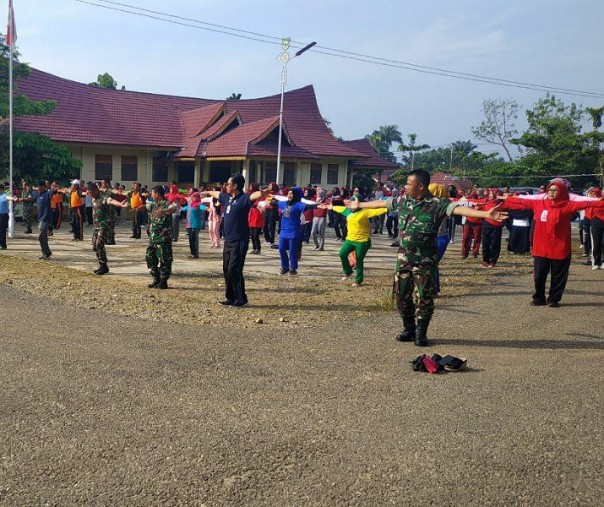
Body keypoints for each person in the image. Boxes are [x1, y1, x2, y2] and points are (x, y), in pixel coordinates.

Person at [349, 169, 508, 346]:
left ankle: (420, 333)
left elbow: (459, 209)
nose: (406, 186)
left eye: (409, 184)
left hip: (425, 262)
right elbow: (382, 203)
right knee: (401, 296)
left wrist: (485, 214)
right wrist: (360, 205)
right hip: (404, 260)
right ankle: (408, 328)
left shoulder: (436, 204)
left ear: (421, 186)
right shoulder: (402, 200)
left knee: (424, 297)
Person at [502, 179, 604, 307]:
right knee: (539, 275)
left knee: (558, 275)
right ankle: (539, 298)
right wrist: (504, 198)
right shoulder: (539, 203)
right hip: (541, 246)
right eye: (550, 190)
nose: (551, 192)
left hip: (560, 247)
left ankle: (553, 299)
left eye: (555, 190)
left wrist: (600, 198)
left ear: (562, 192)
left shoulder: (568, 205)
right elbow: (520, 201)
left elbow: (590, 204)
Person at [203, 174, 263, 307]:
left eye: (228, 184)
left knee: (234, 269)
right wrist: (207, 191)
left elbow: (255, 196)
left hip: (239, 240)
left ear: (235, 186)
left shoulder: (244, 199)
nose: (226, 186)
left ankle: (241, 298)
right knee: (226, 269)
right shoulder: (227, 198)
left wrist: (264, 192)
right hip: (228, 241)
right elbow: (217, 194)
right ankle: (230, 297)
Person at [322, 192, 386, 287]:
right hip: (350, 240)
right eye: (350, 203)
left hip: (362, 241)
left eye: (353, 203)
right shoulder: (347, 211)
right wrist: (329, 207)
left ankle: (358, 280)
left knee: (358, 261)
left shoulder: (365, 212)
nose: (351, 205)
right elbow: (339, 209)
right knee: (342, 254)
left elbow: (381, 210)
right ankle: (348, 271)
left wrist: (391, 205)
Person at [86, 182, 128, 275]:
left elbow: (111, 200)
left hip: (104, 225)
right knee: (94, 245)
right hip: (96, 226)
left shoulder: (103, 197)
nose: (90, 195)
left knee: (99, 243)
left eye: (91, 193)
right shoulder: (94, 198)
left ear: (96, 190)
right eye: (89, 193)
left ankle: (103, 266)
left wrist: (121, 204)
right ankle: (102, 264)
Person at [144, 185, 177, 289]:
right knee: (149, 257)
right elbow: (145, 207)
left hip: (163, 239)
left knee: (164, 259)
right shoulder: (154, 205)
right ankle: (156, 278)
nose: (151, 195)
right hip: (153, 238)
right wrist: (135, 209)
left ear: (157, 194)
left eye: (152, 193)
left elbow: (174, 208)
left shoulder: (166, 203)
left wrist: (165, 211)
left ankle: (163, 280)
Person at [33, 180, 55, 260]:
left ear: (43, 187)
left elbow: (54, 191)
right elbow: (32, 192)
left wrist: (55, 188)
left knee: (41, 236)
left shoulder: (47, 194)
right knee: (43, 237)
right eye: (37, 186)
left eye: (39, 186)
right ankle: (45, 253)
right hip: (40, 218)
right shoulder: (37, 195)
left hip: (46, 218)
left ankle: (47, 252)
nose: (38, 188)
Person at [182, 190, 204, 259]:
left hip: (196, 224)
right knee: (191, 240)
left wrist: (210, 208)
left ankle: (196, 254)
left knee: (195, 240)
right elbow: (182, 209)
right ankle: (192, 253)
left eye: (197, 197)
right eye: (194, 197)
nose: (195, 198)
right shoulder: (190, 205)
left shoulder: (200, 204)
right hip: (189, 225)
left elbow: (205, 209)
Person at [586, 187, 604, 269]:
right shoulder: (593, 201)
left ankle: (603, 261)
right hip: (596, 224)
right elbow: (588, 213)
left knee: (603, 243)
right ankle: (596, 262)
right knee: (596, 244)